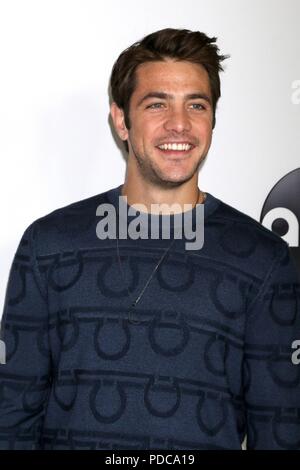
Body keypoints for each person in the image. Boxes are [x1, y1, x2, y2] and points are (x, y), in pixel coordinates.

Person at [0, 27, 299, 450]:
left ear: (213, 118)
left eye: (196, 104)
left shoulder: (263, 259)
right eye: (157, 103)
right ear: (122, 120)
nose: (179, 124)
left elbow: (281, 429)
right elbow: (11, 415)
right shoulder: (48, 245)